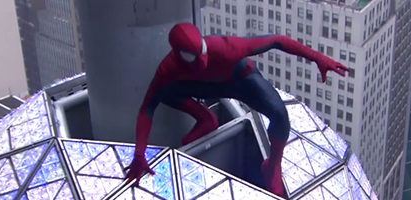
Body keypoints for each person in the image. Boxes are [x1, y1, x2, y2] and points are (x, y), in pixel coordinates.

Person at [124, 23, 348, 197]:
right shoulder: (168, 69)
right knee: (163, 91)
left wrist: (317, 57)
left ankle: (273, 164)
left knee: (279, 114)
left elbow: (277, 41)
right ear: (178, 54)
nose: (202, 60)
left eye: (202, 51)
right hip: (202, 84)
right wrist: (139, 154)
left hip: (239, 80)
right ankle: (205, 118)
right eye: (194, 56)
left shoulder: (224, 47)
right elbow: (147, 108)